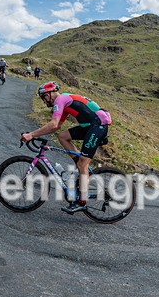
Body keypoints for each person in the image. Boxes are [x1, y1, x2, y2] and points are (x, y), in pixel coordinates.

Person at [20, 82, 111, 214]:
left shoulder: (60, 100)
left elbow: (53, 123)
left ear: (49, 94)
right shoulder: (65, 102)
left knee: (82, 165)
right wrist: (35, 135)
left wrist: (31, 135)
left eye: (43, 97)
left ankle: (81, 202)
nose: (44, 101)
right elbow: (56, 127)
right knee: (62, 136)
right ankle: (79, 165)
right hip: (91, 125)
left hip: (98, 125)